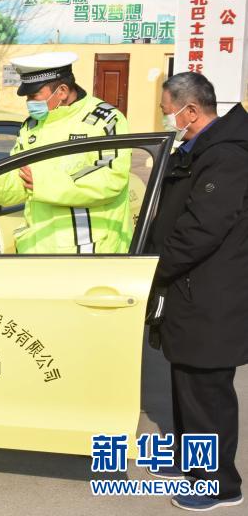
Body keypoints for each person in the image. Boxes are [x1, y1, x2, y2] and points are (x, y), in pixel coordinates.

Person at [148, 72, 248, 512]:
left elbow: (201, 229)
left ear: (190, 111)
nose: (165, 117)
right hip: (191, 292)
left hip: (211, 294)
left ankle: (220, 484)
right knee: (186, 382)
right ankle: (194, 463)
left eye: (167, 109)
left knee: (207, 392)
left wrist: (157, 267)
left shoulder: (226, 157)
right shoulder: (196, 149)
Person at [0, 51, 132, 254]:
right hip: (36, 248)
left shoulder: (106, 120)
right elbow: (21, 180)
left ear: (62, 91)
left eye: (34, 96)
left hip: (87, 252)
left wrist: (42, 183)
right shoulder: (32, 126)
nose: (29, 102)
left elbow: (109, 180)